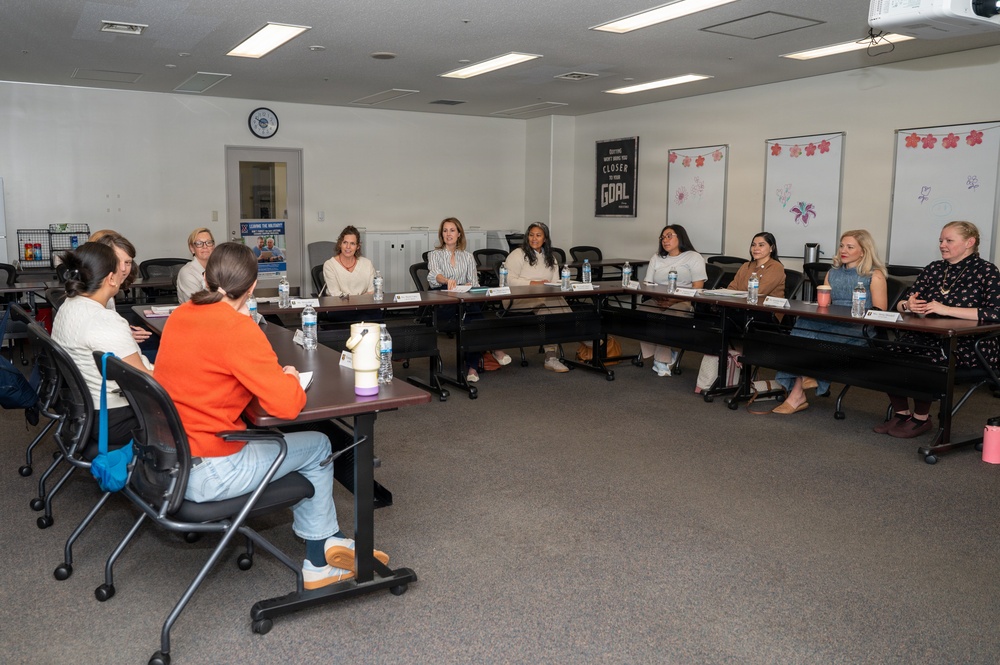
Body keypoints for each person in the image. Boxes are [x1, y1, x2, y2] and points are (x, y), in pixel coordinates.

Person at [153, 242, 388, 589]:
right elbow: (287, 406)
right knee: (319, 444)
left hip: (170, 462)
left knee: (283, 439)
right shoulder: (237, 328)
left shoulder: (181, 314)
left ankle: (331, 539)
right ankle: (319, 561)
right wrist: (290, 377)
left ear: (205, 278)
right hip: (212, 470)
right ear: (251, 288)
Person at [875, 221, 1000, 437]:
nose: (942, 245)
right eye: (941, 240)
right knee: (888, 355)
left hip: (969, 343)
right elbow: (901, 304)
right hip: (928, 335)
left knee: (924, 360)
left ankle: (921, 419)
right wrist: (908, 305)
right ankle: (902, 414)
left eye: (949, 240)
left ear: (969, 242)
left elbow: (996, 313)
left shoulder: (986, 271)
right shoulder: (934, 268)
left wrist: (947, 309)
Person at [772, 229, 887, 415]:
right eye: (842, 246)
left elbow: (880, 314)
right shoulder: (832, 273)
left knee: (821, 336)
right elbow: (825, 305)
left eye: (850, 247)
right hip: (833, 321)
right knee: (804, 323)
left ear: (863, 251)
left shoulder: (874, 275)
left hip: (859, 329)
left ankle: (797, 393)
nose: (844, 250)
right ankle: (803, 382)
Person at [51, 242, 153, 447]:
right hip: (117, 417)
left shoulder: (68, 306)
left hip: (86, 409)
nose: (124, 271)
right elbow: (144, 380)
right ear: (111, 278)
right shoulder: (103, 320)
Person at [695, 232, 785, 392]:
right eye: (753, 244)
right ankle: (722, 373)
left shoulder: (776, 267)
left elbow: (760, 292)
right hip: (742, 310)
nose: (756, 248)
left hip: (765, 315)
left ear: (771, 248)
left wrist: (737, 295)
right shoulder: (746, 266)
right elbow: (732, 288)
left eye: (761, 245)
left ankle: (730, 368)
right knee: (713, 318)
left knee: (723, 321)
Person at [426, 217, 510, 382]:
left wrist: (469, 285)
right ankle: (491, 349)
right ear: (441, 235)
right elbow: (434, 275)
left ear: (459, 234)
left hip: (463, 301)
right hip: (443, 303)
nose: (448, 234)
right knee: (474, 317)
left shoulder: (468, 257)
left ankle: (472, 367)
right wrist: (446, 281)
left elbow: (474, 283)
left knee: (471, 321)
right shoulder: (434, 255)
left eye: (452, 230)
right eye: (445, 231)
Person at [640, 224, 707, 377]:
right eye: (663, 237)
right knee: (642, 312)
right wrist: (659, 298)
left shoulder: (693, 257)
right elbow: (648, 284)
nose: (665, 240)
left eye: (669, 236)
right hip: (658, 299)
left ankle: (661, 359)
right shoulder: (657, 257)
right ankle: (667, 355)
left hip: (683, 301)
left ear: (680, 237)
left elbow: (698, 288)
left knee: (667, 318)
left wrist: (673, 300)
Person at [504, 222, 571, 373]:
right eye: (531, 235)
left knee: (550, 306)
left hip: (543, 299)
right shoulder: (517, 254)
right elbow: (509, 281)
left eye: (538, 235)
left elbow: (555, 283)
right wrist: (533, 283)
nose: (534, 238)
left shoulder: (550, 258)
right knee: (549, 302)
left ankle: (552, 358)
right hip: (516, 299)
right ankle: (582, 336)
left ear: (545, 239)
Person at [90, 230, 153, 348]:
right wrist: (124, 334)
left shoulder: (103, 294)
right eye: (117, 261)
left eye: (128, 262)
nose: (123, 269)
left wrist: (125, 330)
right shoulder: (95, 299)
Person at [322, 226, 376, 296]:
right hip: (338, 303)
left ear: (358, 246)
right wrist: (360, 298)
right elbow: (335, 294)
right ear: (340, 244)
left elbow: (372, 291)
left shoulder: (367, 264)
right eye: (345, 242)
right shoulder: (329, 265)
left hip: (365, 303)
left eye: (352, 243)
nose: (348, 247)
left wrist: (359, 300)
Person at [176, 227, 215, 303]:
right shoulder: (187, 272)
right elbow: (197, 303)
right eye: (199, 243)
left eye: (208, 242)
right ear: (192, 249)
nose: (205, 246)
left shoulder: (220, 268)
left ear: (213, 246)